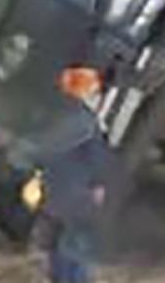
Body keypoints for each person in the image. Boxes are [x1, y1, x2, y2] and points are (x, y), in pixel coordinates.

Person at [34, 64, 114, 283]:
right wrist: (99, 184)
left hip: (53, 191)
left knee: (55, 243)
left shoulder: (53, 117)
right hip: (80, 193)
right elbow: (97, 158)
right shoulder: (88, 123)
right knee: (76, 247)